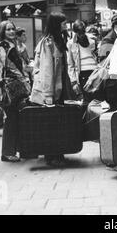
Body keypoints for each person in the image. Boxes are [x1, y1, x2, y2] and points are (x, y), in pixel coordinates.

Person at [30, 12, 75, 167]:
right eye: (63, 22)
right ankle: (51, 156)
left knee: (57, 122)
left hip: (59, 88)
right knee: (51, 123)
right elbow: (47, 70)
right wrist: (48, 95)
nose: (65, 24)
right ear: (56, 24)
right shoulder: (47, 43)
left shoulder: (58, 40)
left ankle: (57, 153)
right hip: (51, 90)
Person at [0, 21, 31, 163]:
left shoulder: (10, 45)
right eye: (7, 29)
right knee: (11, 119)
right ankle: (8, 152)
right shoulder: (2, 46)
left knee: (16, 118)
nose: (11, 31)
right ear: (2, 31)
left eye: (12, 29)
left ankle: (17, 150)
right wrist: (24, 81)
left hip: (15, 85)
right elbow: (4, 68)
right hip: (11, 86)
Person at [67, 20, 98, 102]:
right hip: (82, 73)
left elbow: (98, 56)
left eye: (83, 32)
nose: (81, 35)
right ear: (75, 32)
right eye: (79, 33)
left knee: (97, 98)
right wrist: (73, 81)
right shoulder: (71, 44)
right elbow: (70, 64)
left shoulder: (93, 40)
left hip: (95, 71)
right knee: (87, 98)